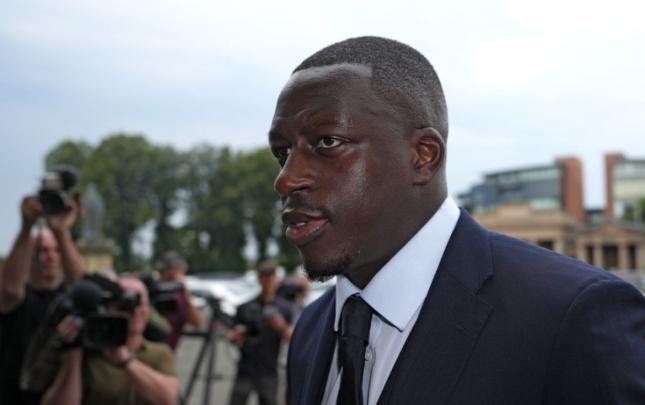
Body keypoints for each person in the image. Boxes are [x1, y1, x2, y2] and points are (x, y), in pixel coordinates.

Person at [268, 36, 645, 405]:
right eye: (283, 152)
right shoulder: (310, 331)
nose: (285, 179)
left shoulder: (572, 316)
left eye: (327, 142)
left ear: (424, 156)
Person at [0, 195, 85, 404]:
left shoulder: (71, 299)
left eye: (56, 250)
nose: (50, 256)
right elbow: (9, 291)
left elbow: (83, 287)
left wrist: (61, 231)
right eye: (42, 250)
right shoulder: (20, 298)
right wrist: (26, 227)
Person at [42, 276, 178, 405]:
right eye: (125, 306)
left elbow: (168, 399)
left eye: (140, 304)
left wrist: (126, 361)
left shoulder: (159, 353)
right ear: (109, 308)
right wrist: (73, 354)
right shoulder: (88, 354)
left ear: (148, 311)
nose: (134, 312)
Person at [227, 261, 294, 405]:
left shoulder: (284, 308)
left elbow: (292, 338)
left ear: (276, 279)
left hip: (269, 369)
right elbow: (231, 335)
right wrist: (237, 335)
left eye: (271, 278)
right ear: (259, 279)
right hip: (246, 368)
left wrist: (281, 326)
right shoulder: (245, 307)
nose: (268, 282)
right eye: (265, 278)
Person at [156, 251, 203, 350]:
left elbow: (198, 323)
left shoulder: (180, 296)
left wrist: (184, 290)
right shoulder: (155, 292)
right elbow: (198, 323)